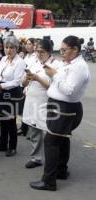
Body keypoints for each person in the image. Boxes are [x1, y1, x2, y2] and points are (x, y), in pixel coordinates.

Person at [30, 36, 90, 191]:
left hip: (64, 108)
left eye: (64, 50)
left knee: (51, 142)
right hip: (59, 107)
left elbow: (69, 90)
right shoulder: (69, 63)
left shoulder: (79, 67)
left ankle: (49, 181)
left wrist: (54, 75)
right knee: (62, 140)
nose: (61, 53)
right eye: (60, 49)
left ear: (75, 49)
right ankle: (61, 170)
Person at [22, 39, 62, 169]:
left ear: (49, 52)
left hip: (46, 103)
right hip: (31, 102)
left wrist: (38, 79)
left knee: (48, 134)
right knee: (34, 132)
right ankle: (36, 158)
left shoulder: (56, 65)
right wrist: (26, 79)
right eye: (37, 51)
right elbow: (23, 84)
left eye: (42, 52)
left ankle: (53, 161)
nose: (39, 54)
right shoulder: (34, 63)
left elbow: (56, 87)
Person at [0, 36, 26, 157]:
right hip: (0, 91)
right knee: (2, 119)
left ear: (16, 48)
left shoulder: (20, 62)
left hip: (12, 94)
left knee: (11, 121)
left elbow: (17, 81)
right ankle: (2, 143)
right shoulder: (4, 59)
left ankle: (12, 146)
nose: (8, 50)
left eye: (11, 48)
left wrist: (2, 86)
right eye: (6, 47)